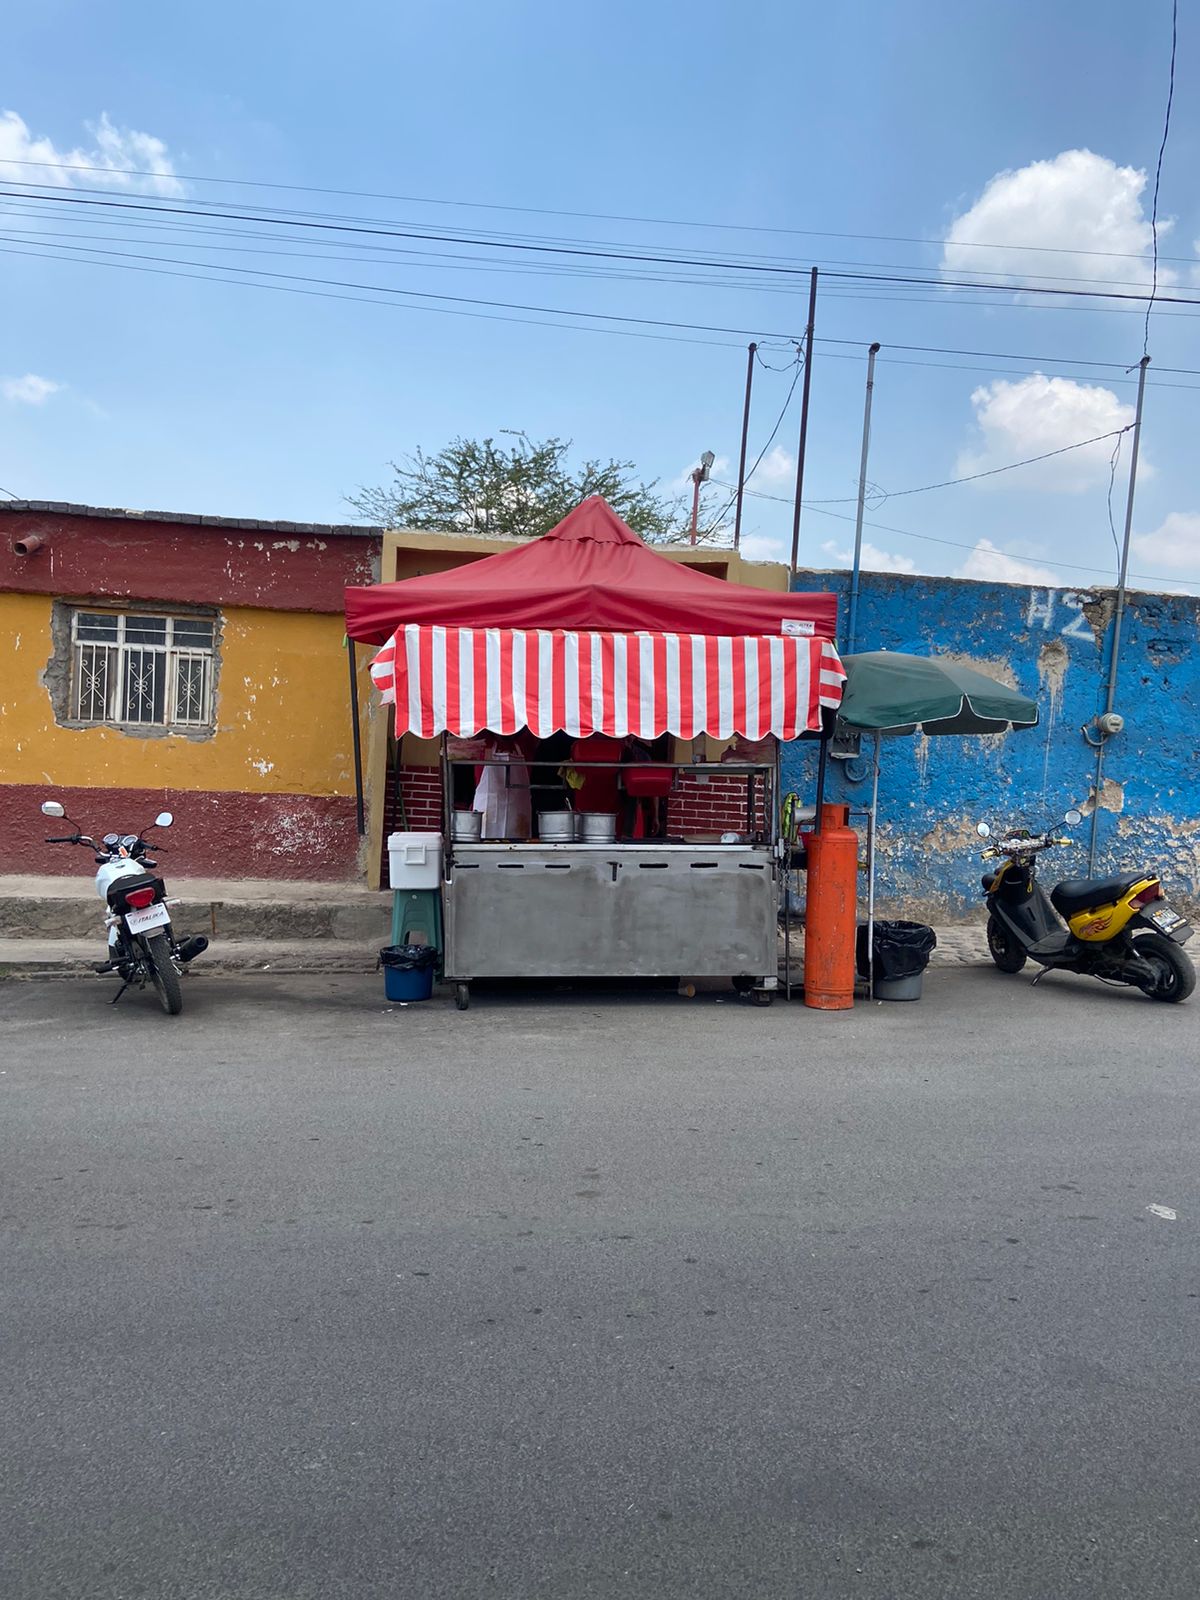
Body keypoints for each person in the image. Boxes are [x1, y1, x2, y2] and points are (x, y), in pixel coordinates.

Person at [472, 731, 535, 839]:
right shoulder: (486, 743)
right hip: (489, 809)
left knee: (518, 843)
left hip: (517, 811)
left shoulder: (524, 745)